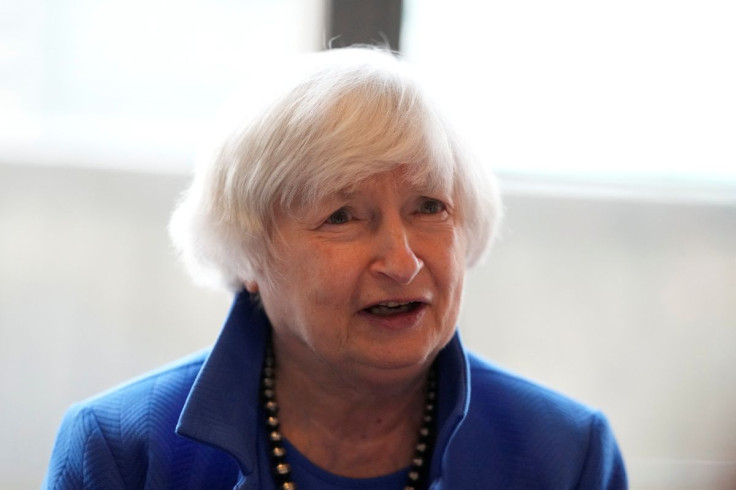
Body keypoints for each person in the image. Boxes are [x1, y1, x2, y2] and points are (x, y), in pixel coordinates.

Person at [43, 47, 627, 489]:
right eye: (343, 216)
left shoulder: (566, 454)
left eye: (430, 207)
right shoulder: (124, 451)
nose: (402, 262)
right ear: (251, 254)